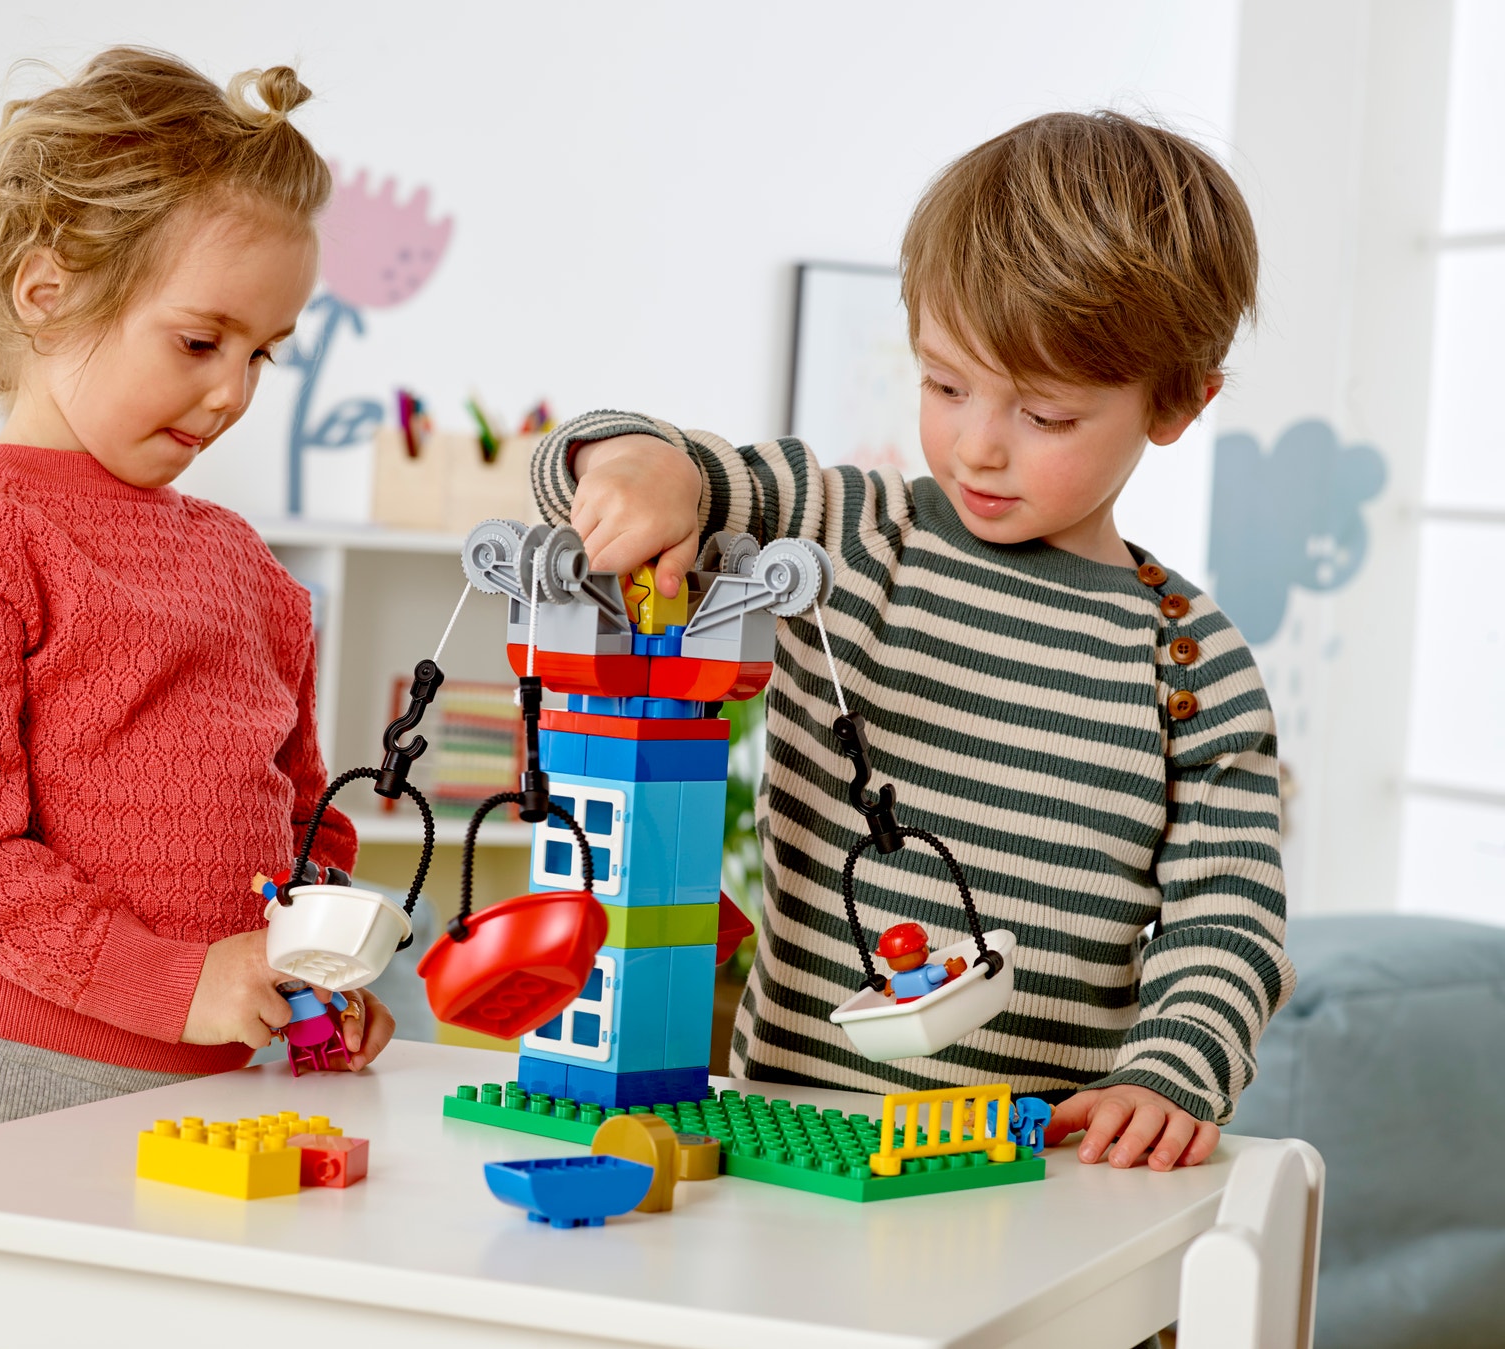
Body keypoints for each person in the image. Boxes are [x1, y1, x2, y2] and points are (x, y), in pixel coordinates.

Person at [533, 111, 1294, 1175]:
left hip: (1039, 1178)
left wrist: (1167, 1075)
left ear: (1178, 403)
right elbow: (641, 469)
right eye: (946, 385)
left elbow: (1230, 917)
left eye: (1047, 414)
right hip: (786, 1146)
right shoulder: (851, 531)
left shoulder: (1192, 661)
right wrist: (648, 472)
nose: (978, 442)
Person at [0, 48, 394, 1170]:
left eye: (262, 354)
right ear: (48, 293)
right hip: (10, 1083)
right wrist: (178, 981)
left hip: (226, 1087)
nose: (234, 388)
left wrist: (316, 975)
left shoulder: (245, 565)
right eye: (200, 340)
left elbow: (298, 820)